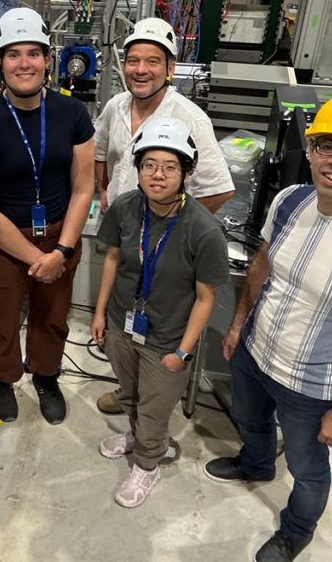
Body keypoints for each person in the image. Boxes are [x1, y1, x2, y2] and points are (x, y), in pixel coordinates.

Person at [205, 93, 332, 562]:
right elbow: (261, 266)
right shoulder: (291, 200)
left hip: (311, 385)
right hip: (256, 353)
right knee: (250, 419)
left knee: (307, 466)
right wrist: (239, 323)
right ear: (312, 148)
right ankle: (256, 463)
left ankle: (296, 529)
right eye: (327, 146)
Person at [93, 16, 234, 415]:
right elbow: (101, 152)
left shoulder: (189, 118)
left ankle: (150, 405)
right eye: (133, 60)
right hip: (123, 239)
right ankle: (128, 393)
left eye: (153, 61)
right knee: (120, 327)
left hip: (159, 245)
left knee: (155, 332)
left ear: (170, 68)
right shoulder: (115, 106)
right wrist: (105, 190)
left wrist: (174, 229)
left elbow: (220, 187)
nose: (141, 70)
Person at [0, 7, 94, 425]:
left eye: (33, 53)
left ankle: (46, 375)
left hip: (59, 234)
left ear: (47, 60)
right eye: (13, 54)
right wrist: (36, 258)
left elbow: (84, 187)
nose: (24, 63)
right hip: (5, 241)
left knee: (52, 317)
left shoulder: (72, 114)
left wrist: (62, 249)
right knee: (2, 319)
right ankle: (3, 378)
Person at [90, 118, 229, 508]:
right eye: (149, 165)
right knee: (130, 393)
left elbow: (205, 299)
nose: (158, 175)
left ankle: (147, 464)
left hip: (166, 338)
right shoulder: (125, 208)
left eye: (170, 167)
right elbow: (114, 259)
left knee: (155, 407)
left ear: (186, 173)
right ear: (137, 169)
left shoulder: (202, 230)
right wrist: (101, 315)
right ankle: (136, 437)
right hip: (122, 324)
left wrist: (182, 352)